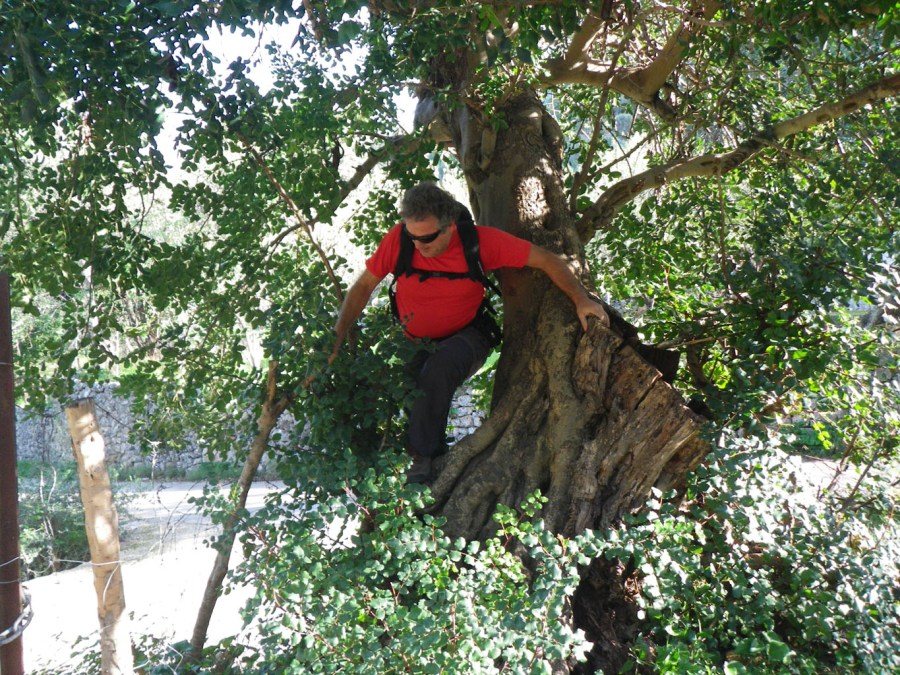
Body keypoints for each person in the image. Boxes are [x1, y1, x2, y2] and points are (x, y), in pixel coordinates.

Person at [330, 182, 609, 482]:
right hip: (415, 342)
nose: (419, 245)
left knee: (438, 369)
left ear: (450, 226)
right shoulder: (399, 241)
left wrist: (581, 299)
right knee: (411, 395)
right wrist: (335, 340)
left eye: (428, 238)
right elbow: (363, 286)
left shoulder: (480, 243)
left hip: (468, 335)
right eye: (412, 236)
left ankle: (421, 466)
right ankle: (424, 461)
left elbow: (548, 259)